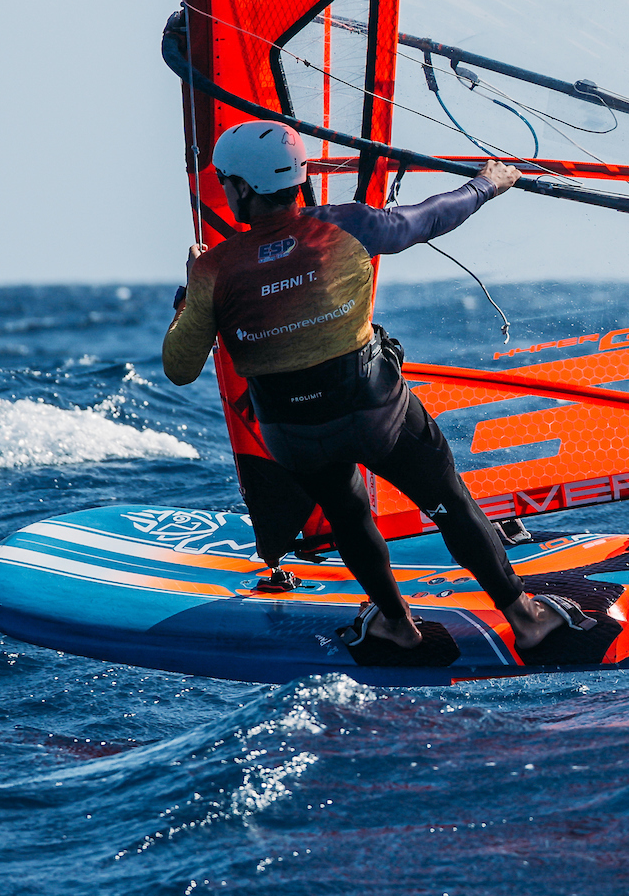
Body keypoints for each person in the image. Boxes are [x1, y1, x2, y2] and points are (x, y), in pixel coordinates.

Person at [163, 120, 581, 659]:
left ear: (242, 188)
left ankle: (396, 624)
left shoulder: (214, 270)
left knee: (347, 513)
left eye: (224, 181)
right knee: (449, 500)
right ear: (298, 177)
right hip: (375, 411)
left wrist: (189, 295)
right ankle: (525, 619)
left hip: (292, 432)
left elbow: (180, 368)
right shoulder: (346, 228)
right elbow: (430, 217)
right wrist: (487, 184)